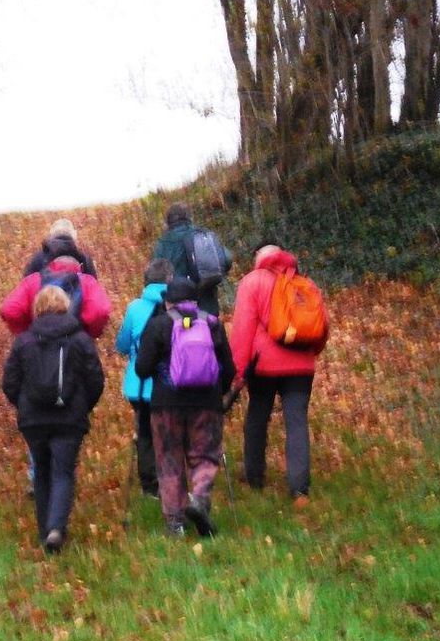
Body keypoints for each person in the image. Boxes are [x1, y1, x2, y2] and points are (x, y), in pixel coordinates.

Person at [2, 286, 105, 553]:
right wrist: (83, 405)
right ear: (66, 306)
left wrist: (23, 404)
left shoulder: (24, 340)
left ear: (36, 308)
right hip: (69, 418)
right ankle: (57, 528)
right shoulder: (80, 339)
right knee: (63, 472)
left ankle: (44, 531)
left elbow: (10, 382)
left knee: (42, 473)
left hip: (34, 420)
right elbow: (95, 378)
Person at [229, 242, 328, 508]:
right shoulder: (304, 283)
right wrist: (310, 353)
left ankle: (255, 478)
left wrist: (237, 372)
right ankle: (299, 490)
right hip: (301, 366)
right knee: (296, 422)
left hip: (263, 366)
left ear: (258, 259)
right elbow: (321, 326)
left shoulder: (252, 282)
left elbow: (242, 329)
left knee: (258, 415)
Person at [135, 278, 235, 537]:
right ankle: (199, 500)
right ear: (195, 300)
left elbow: (142, 368)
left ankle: (175, 522)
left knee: (169, 460)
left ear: (168, 301)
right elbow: (229, 368)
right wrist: (217, 393)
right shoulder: (212, 324)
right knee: (204, 456)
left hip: (166, 405)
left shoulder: (158, 325)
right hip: (206, 404)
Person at [114, 258, 174, 498]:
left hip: (138, 385)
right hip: (170, 384)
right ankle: (171, 481)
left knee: (146, 434)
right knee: (169, 433)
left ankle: (149, 486)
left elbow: (122, 344)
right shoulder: (179, 308)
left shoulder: (135, 308)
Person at [0, 255, 111, 339]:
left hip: (37, 343)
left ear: (51, 266)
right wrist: (89, 334)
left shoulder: (33, 280)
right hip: (74, 344)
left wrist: (25, 333)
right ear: (79, 267)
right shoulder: (88, 282)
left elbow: (10, 310)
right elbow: (100, 311)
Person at [152, 202, 231, 316]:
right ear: (188, 217)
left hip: (177, 311)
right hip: (206, 308)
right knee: (208, 331)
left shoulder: (163, 243)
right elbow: (227, 259)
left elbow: (155, 276)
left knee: (181, 332)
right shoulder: (203, 234)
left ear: (168, 221)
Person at [23, 218, 98, 278]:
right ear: (74, 235)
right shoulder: (83, 259)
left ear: (51, 235)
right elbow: (94, 289)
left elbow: (26, 286)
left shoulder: (38, 258)